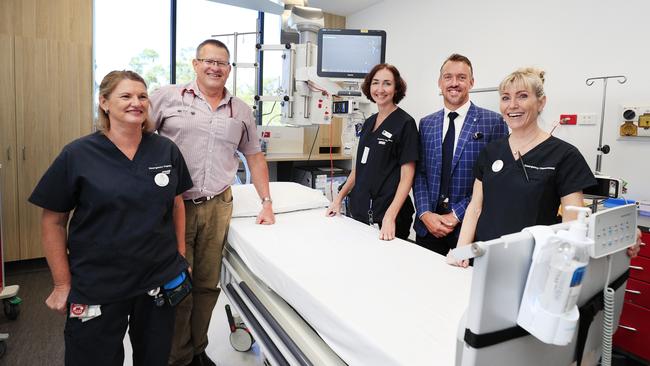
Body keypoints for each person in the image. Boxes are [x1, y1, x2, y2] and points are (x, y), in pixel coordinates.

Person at [29, 70, 193, 366]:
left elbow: (177, 203)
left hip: (157, 279)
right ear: (104, 102)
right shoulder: (78, 154)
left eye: (142, 96)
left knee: (155, 358)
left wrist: (180, 255)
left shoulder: (164, 150)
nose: (137, 103)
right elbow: (52, 220)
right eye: (126, 96)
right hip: (99, 282)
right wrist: (61, 284)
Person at [149, 39, 275, 366]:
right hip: (175, 206)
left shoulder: (241, 110)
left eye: (222, 63)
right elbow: (137, 138)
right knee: (178, 285)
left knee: (207, 284)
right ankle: (176, 357)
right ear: (195, 64)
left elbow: (254, 157)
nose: (215, 67)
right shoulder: (167, 97)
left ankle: (197, 350)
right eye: (208, 61)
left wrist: (267, 202)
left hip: (218, 205)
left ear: (229, 69)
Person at [448, 67, 599, 267]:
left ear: (541, 102)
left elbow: (572, 224)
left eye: (522, 96)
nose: (512, 105)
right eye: (505, 98)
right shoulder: (491, 151)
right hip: (485, 259)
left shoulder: (564, 155)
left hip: (533, 264)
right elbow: (475, 208)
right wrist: (461, 250)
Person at [413, 54, 509, 255]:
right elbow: (420, 173)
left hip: (469, 228)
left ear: (471, 82)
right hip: (428, 227)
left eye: (461, 77)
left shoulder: (493, 122)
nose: (454, 83)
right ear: (440, 83)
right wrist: (424, 213)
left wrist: (457, 214)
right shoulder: (426, 123)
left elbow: (495, 180)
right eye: (448, 77)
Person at [326, 63, 418, 241]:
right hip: (361, 211)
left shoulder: (405, 123)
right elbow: (358, 168)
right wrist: (338, 199)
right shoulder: (368, 123)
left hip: (387, 215)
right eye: (375, 83)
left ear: (396, 88)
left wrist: (390, 217)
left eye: (387, 83)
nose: (380, 89)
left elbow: (408, 176)